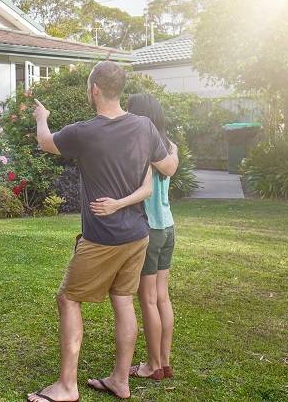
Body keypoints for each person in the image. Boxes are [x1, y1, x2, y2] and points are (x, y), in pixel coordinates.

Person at [27, 61, 179, 402]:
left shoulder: (84, 131)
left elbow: (46, 143)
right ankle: (120, 380)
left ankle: (67, 386)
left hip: (102, 237)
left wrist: (42, 117)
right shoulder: (144, 126)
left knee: (68, 299)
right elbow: (168, 167)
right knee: (123, 300)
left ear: (94, 88)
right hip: (138, 234)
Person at [126, 94, 178, 382]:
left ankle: (152, 365)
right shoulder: (169, 146)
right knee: (162, 297)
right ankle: (165, 363)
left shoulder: (141, 147)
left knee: (147, 299)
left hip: (149, 229)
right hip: (168, 226)